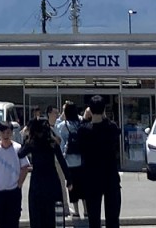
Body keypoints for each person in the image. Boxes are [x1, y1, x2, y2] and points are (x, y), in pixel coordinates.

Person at [18, 118, 70, 228]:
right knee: (52, 216)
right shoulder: (52, 143)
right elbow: (62, 161)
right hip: (52, 182)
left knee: (37, 215)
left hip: (37, 182)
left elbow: (20, 154)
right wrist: (69, 180)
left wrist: (26, 137)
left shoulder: (32, 143)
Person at [78, 95, 121, 228]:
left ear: (90, 109)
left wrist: (85, 118)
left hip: (91, 178)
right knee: (113, 218)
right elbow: (113, 129)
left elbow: (79, 141)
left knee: (93, 218)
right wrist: (103, 115)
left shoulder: (84, 130)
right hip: (110, 177)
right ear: (104, 110)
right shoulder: (111, 127)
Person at [0, 121, 29, 228]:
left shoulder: (18, 148)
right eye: (3, 133)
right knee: (1, 222)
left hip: (14, 191)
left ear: (12, 133)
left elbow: (25, 167)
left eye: (8, 133)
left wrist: (19, 184)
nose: (6, 135)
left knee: (13, 222)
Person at [55, 102, 84, 218]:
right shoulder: (80, 123)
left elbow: (60, 140)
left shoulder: (63, 125)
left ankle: (76, 211)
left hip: (69, 161)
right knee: (83, 186)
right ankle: (86, 211)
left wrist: (62, 114)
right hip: (82, 160)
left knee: (72, 186)